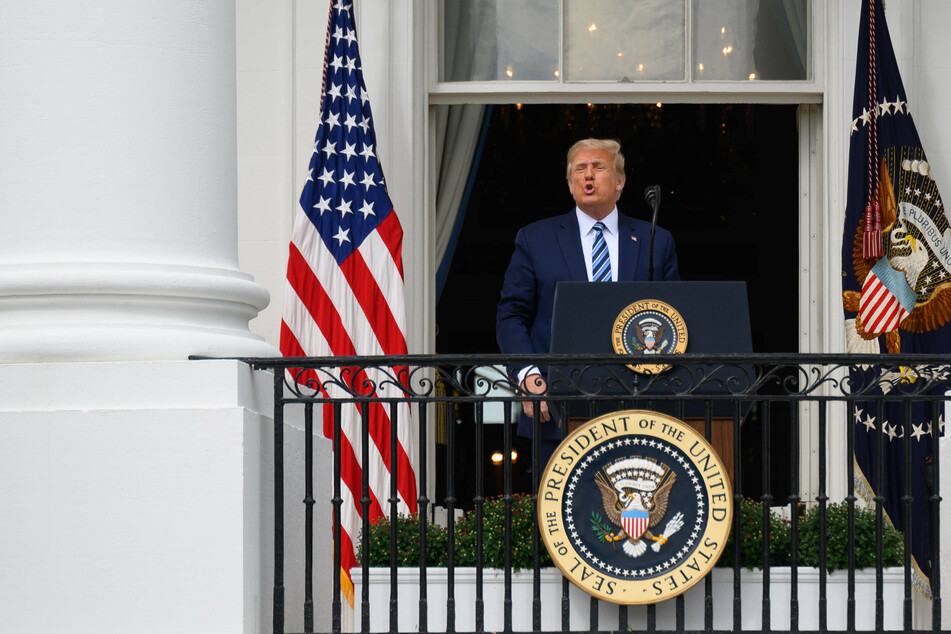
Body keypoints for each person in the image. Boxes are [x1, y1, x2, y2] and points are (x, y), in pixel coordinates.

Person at [495, 138, 680, 466]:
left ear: (620, 181)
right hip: (554, 406)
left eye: (598, 167)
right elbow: (511, 314)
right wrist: (527, 375)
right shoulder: (535, 239)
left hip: (638, 407)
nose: (587, 175)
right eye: (579, 169)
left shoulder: (655, 239)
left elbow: (673, 317)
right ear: (569, 183)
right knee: (557, 513)